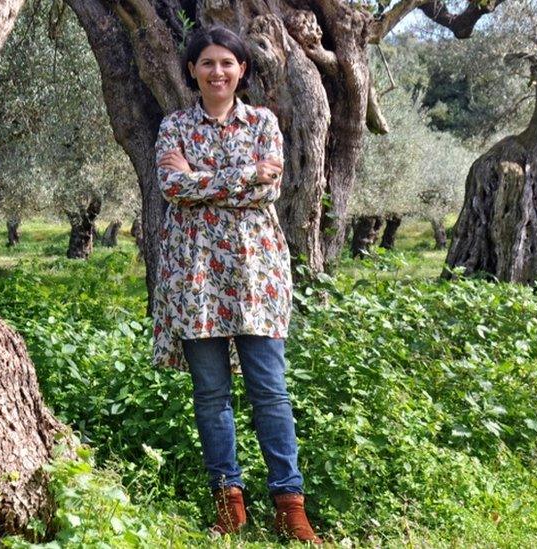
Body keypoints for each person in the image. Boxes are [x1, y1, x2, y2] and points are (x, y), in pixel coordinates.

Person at [151, 25, 322, 544]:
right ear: (191, 70)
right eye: (207, 62)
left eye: (227, 62)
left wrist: (203, 183)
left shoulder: (264, 121)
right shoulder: (174, 125)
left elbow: (267, 190)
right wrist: (243, 175)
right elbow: (170, 187)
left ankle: (290, 508)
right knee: (211, 394)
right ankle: (230, 507)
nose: (218, 71)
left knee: (270, 391)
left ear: (242, 69)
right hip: (194, 275)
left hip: (256, 275)